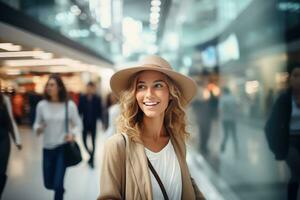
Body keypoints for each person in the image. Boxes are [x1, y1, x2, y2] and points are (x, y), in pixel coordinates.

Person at [98, 55, 205, 200]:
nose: (149, 95)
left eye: (158, 85)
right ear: (135, 94)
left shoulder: (177, 141)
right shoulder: (117, 146)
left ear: (172, 94)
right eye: (141, 86)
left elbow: (187, 183)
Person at [33, 74, 82, 200]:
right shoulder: (42, 105)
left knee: (58, 184)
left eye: (52, 85)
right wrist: (39, 128)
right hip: (47, 149)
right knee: (48, 183)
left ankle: (59, 192)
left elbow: (78, 125)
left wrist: (73, 135)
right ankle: (60, 189)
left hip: (62, 148)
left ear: (59, 87)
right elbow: (36, 124)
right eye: (47, 85)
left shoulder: (69, 105)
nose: (48, 87)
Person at [265, 62, 300, 200]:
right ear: (290, 78)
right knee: (297, 172)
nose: (298, 79)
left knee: (296, 175)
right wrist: (277, 148)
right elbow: (270, 126)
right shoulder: (284, 99)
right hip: (290, 141)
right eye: (295, 75)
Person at [0, 92, 22, 198]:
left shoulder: (4, 99)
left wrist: (17, 139)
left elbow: (10, 120)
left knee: (1, 171)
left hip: (3, 139)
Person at [78, 81, 103, 168]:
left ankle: (92, 160)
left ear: (93, 89)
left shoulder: (97, 98)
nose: (89, 89)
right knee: (84, 141)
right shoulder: (82, 98)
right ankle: (91, 155)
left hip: (93, 124)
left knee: (93, 142)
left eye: (91, 88)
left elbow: (100, 112)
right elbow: (79, 111)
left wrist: (102, 123)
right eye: (88, 88)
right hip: (84, 123)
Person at [219, 87, 238, 155]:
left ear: (224, 91)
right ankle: (236, 149)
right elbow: (236, 107)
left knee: (226, 134)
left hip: (225, 119)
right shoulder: (233, 98)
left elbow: (220, 109)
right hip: (232, 119)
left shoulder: (223, 99)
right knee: (234, 134)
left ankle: (222, 147)